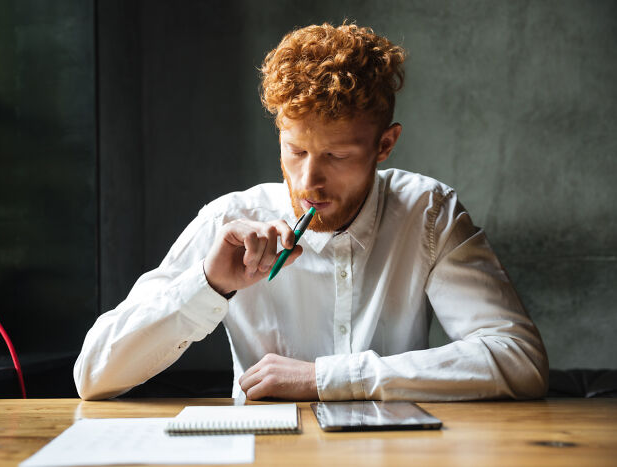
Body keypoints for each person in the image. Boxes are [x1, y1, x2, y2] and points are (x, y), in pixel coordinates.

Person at [74, 23, 548, 402]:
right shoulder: (230, 220)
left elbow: (520, 360)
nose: (308, 183)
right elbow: (93, 375)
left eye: (336, 156)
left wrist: (325, 378)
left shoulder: (428, 213)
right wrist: (208, 285)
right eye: (295, 151)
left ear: (385, 144)